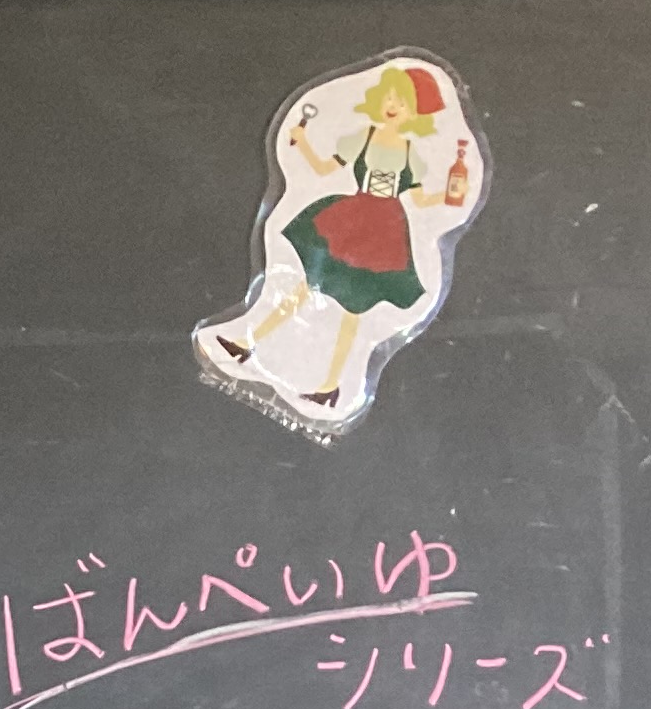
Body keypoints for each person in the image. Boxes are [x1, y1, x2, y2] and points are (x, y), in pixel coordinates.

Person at [198, 59, 483, 431]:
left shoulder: (412, 154)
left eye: (402, 101)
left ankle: (331, 386)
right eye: (390, 96)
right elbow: (324, 169)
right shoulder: (363, 137)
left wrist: (448, 194)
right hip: (350, 217)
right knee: (305, 287)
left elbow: (419, 199)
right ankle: (248, 345)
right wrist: (302, 143)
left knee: (353, 311)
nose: (393, 105)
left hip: (384, 229)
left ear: (412, 113)